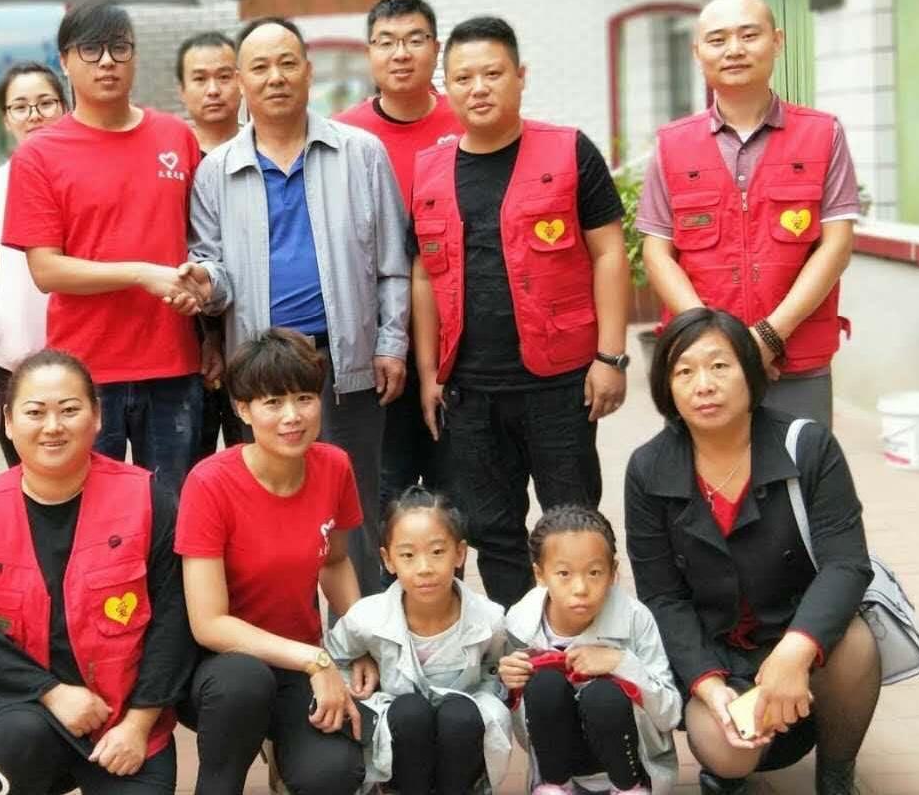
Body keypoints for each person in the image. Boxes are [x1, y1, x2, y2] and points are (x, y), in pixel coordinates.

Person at [410, 15, 630, 608]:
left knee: (573, 522)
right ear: (446, 87)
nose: (478, 88)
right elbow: (424, 275)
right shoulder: (429, 169)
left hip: (559, 381)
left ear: (520, 76)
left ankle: (586, 641)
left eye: (493, 73)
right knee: (492, 529)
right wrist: (429, 374)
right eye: (463, 78)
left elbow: (609, 253)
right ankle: (519, 646)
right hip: (470, 389)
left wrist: (611, 356)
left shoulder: (569, 150)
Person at [188, 16, 411, 599]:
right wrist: (203, 282)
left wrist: (391, 343)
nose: (276, 78)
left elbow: (393, 262)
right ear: (241, 81)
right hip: (262, 370)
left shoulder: (361, 153)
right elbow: (215, 268)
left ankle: (362, 636)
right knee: (271, 514)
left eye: (288, 63)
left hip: (348, 362)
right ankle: (287, 636)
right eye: (260, 67)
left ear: (309, 72)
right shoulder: (215, 172)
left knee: (354, 507)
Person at [625, 307, 879, 795]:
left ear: (750, 371)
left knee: (855, 645)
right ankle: (729, 774)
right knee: (726, 750)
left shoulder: (807, 446)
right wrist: (707, 684)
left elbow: (846, 563)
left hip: (797, 634)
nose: (704, 385)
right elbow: (662, 596)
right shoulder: (648, 469)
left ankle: (837, 775)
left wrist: (795, 651)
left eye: (720, 366)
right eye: (684, 372)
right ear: (667, 388)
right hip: (716, 652)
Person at [0, 349, 194, 795]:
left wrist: (138, 723)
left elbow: (173, 621)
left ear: (97, 416)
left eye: (69, 410)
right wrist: (52, 692)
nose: (52, 426)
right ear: (9, 422)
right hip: (27, 712)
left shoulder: (147, 500)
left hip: (121, 724)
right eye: (35, 412)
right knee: (16, 739)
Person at [4, 2, 206, 492]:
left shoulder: (175, 137)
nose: (107, 61)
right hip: (85, 374)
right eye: (91, 50)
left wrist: (199, 289)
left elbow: (201, 241)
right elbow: (46, 271)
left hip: (174, 362)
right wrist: (141, 273)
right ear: (64, 61)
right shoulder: (39, 154)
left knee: (173, 512)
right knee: (91, 512)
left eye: (120, 48)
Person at [639, 0, 859, 428]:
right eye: (718, 39)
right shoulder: (671, 145)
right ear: (697, 52)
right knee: (702, 473)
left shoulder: (822, 135)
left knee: (800, 468)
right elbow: (657, 252)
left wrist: (769, 336)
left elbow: (836, 246)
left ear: (777, 42)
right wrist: (720, 344)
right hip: (701, 367)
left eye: (749, 35)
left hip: (797, 362)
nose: (734, 49)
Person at [176, 328, 371, 795]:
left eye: (304, 398)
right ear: (243, 409)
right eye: (273, 402)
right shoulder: (209, 483)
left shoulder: (334, 466)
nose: (292, 416)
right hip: (219, 670)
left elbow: (335, 563)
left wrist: (362, 642)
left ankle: (285, 748)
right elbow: (209, 624)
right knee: (243, 686)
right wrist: (316, 660)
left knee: (334, 775)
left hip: (296, 662)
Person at [334, 0, 462, 519]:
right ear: (369, 53)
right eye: (386, 42)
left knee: (457, 495)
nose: (401, 53)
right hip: (376, 351)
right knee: (383, 497)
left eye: (414, 40)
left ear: (436, 48)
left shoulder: (468, 118)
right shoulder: (343, 138)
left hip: (459, 348)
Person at [326, 485, 512, 794]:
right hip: (403, 733)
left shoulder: (489, 619)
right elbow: (335, 658)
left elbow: (496, 666)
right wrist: (359, 668)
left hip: (460, 735)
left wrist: (492, 691)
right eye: (408, 555)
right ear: (388, 559)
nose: (424, 568)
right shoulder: (367, 619)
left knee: (460, 714)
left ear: (460, 553)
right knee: (410, 712)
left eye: (437, 552)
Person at [499, 506, 681, 795]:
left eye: (595, 572)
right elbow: (515, 722)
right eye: (564, 573)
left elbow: (669, 714)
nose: (581, 588)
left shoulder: (635, 618)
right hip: (562, 758)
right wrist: (508, 685)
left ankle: (629, 787)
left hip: (627, 754)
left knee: (602, 695)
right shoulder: (521, 623)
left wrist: (621, 663)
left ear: (613, 573)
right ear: (540, 574)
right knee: (544, 685)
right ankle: (555, 786)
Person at [0, 61, 65, 465]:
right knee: (27, 478)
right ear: (6, 118)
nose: (34, 116)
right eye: (20, 106)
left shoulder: (88, 181)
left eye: (46, 103)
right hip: (10, 364)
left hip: (87, 364)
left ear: (65, 107)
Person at [175, 31, 243, 463]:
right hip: (183, 346)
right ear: (182, 91)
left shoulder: (264, 152)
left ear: (242, 81)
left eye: (224, 76)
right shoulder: (169, 159)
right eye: (200, 79)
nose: (213, 89)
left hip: (251, 339)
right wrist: (206, 336)